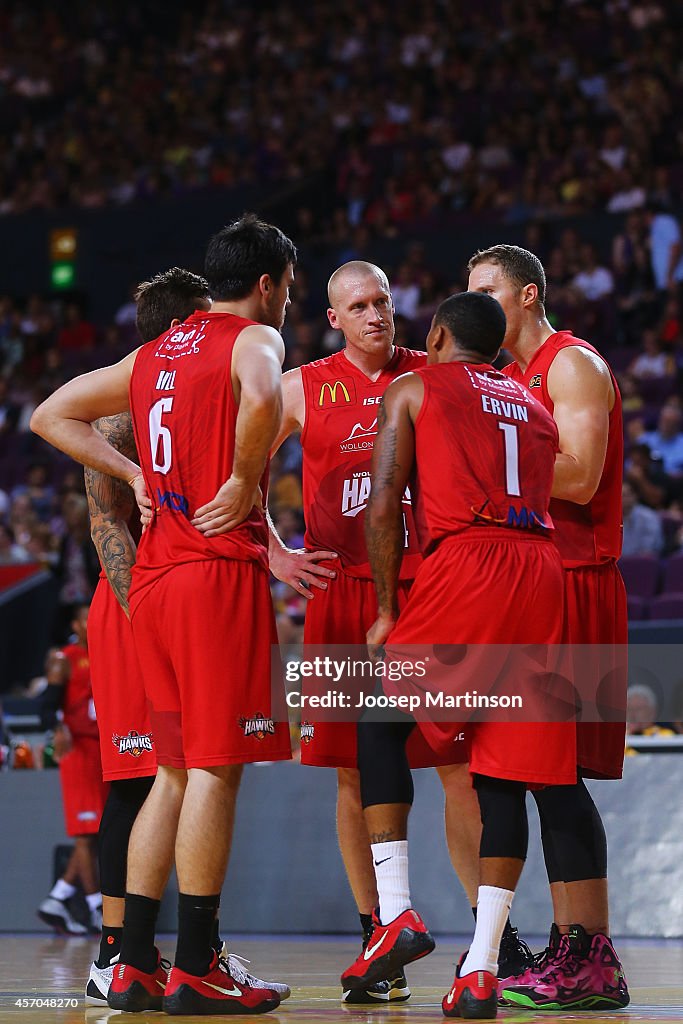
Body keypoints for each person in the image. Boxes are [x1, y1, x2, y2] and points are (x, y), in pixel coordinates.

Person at [31, 213, 295, 1016]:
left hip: (151, 582)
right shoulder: (254, 341)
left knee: (171, 774)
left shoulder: (152, 354)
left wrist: (129, 471)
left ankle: (134, 961)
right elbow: (262, 400)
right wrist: (241, 482)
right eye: (289, 288)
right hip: (213, 574)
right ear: (266, 285)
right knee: (214, 770)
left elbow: (48, 415)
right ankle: (197, 963)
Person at [268, 261, 530, 1004]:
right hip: (342, 595)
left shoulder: (437, 371)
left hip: (424, 591)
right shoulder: (302, 386)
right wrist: (274, 552)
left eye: (383, 301)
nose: (377, 314)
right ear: (334, 320)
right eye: (360, 305)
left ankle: (494, 939)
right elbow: (238, 464)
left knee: (457, 765)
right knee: (352, 771)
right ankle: (376, 932)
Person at [340, 291, 576, 1019]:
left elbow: (384, 502)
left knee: (377, 715)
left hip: (466, 564)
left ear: (437, 334)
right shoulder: (534, 405)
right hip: (540, 572)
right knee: (502, 767)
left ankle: (398, 912)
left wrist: (385, 609)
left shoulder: (413, 385)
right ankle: (479, 969)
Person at [468, 244, 629, 1010]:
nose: (478, 305)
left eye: (488, 291)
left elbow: (581, 473)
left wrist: (483, 475)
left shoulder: (572, 365)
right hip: (533, 588)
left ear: (527, 294)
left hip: (577, 583)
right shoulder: (503, 380)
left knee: (560, 779)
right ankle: (570, 949)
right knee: (541, 778)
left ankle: (593, 957)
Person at [37, 603, 108, 936]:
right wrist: (58, 728)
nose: (92, 623)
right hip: (77, 750)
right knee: (85, 833)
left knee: (96, 832)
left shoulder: (107, 653)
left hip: (102, 749)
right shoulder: (64, 658)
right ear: (76, 625)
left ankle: (58, 896)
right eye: (86, 618)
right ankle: (96, 906)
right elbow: (47, 705)